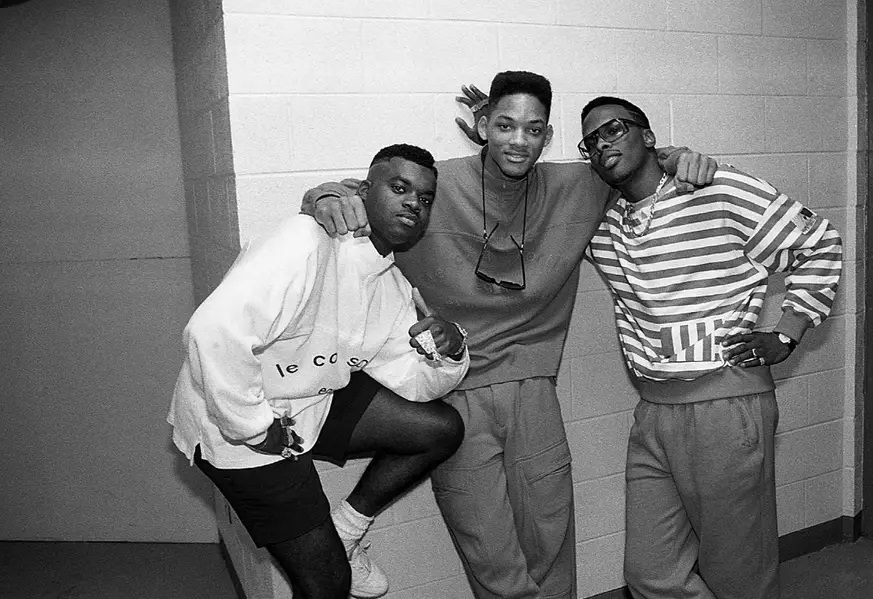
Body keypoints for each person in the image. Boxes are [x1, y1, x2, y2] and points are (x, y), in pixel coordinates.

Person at [299, 71, 718, 599]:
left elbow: (638, 163)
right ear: (483, 126)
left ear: (547, 137)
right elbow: (354, 192)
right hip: (454, 395)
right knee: (493, 559)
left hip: (535, 392)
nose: (519, 140)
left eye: (534, 129)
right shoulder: (433, 187)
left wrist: (680, 157)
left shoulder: (578, 186)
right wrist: (324, 196)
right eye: (505, 125)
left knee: (550, 544)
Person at [168, 144, 470, 599]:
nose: (414, 203)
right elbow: (211, 334)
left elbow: (413, 384)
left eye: (425, 198)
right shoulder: (306, 240)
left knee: (440, 428)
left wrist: (449, 347)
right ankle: (333, 558)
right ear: (363, 192)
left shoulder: (392, 287)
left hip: (307, 406)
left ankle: (345, 532)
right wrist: (254, 429)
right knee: (327, 584)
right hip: (234, 427)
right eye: (400, 187)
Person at [578, 96, 843, 599]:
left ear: (649, 135)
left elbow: (820, 241)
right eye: (591, 140)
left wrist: (788, 330)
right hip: (654, 412)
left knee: (738, 573)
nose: (603, 143)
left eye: (613, 128)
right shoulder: (605, 223)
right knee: (651, 574)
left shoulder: (718, 187)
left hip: (726, 404)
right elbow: (531, 193)